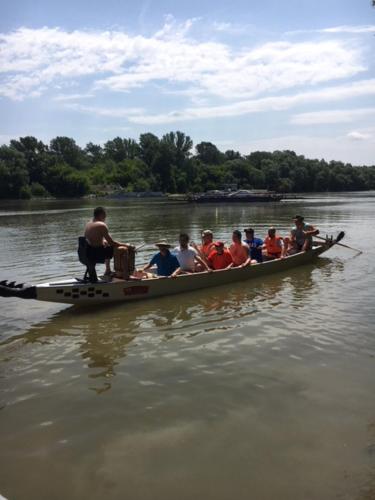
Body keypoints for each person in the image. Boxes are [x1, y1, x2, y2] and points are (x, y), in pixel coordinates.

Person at [84, 206, 134, 279]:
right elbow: (112, 243)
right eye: (105, 215)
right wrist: (127, 245)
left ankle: (108, 270)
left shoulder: (89, 223)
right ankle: (126, 275)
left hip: (88, 252)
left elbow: (92, 238)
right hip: (96, 253)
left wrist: (103, 241)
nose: (105, 217)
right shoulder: (101, 225)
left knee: (107, 245)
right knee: (123, 250)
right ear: (101, 215)